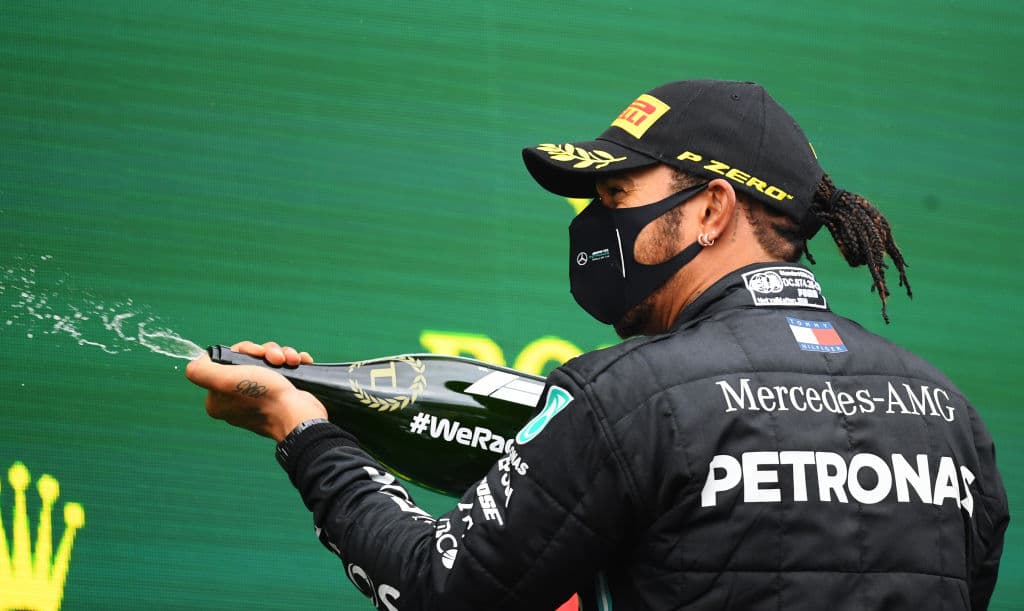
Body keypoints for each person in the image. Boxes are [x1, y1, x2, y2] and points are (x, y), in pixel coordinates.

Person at [186, 79, 1009, 610]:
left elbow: (438, 588)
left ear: (713, 210)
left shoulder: (628, 397)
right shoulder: (950, 416)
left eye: (615, 193)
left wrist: (304, 433)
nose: (592, 225)